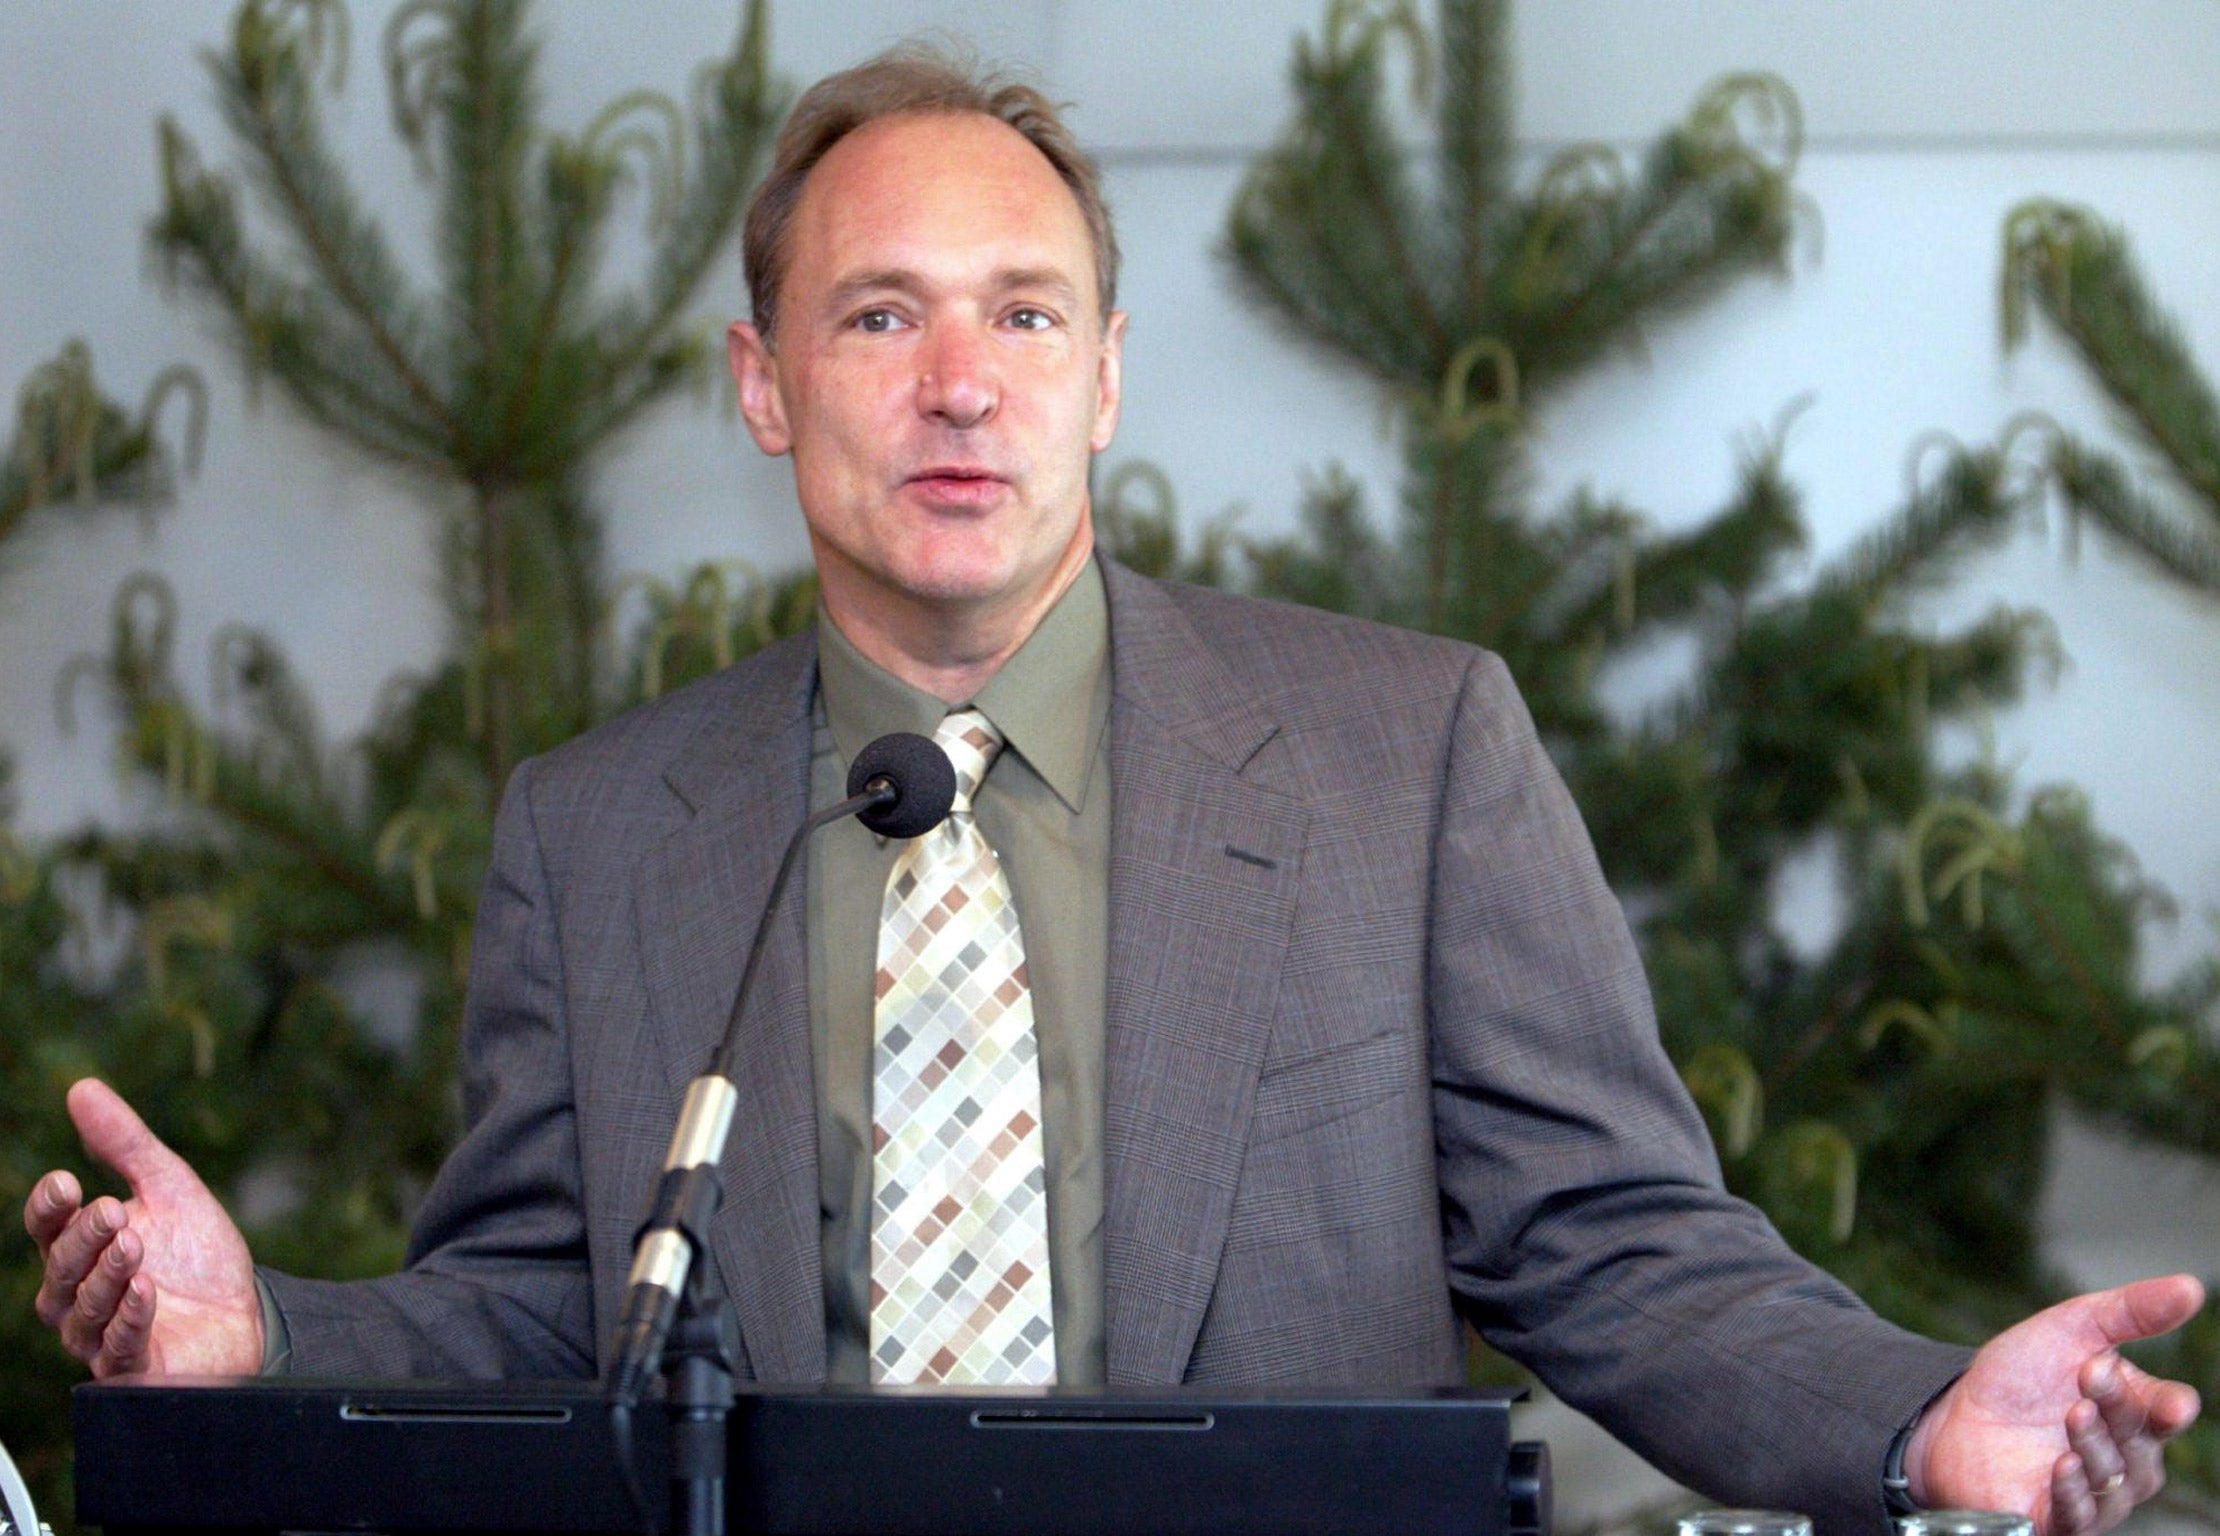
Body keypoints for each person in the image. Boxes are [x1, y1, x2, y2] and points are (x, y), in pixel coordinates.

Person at [25, 47, 2202, 1536]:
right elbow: (546, 1309)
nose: (963, 382)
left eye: (1026, 315)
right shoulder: (602, 830)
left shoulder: (1405, 750)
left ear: (1110, 373)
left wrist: (1921, 1419)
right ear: (765, 387)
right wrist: (258, 1338)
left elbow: (1617, 1253)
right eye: (879, 318)